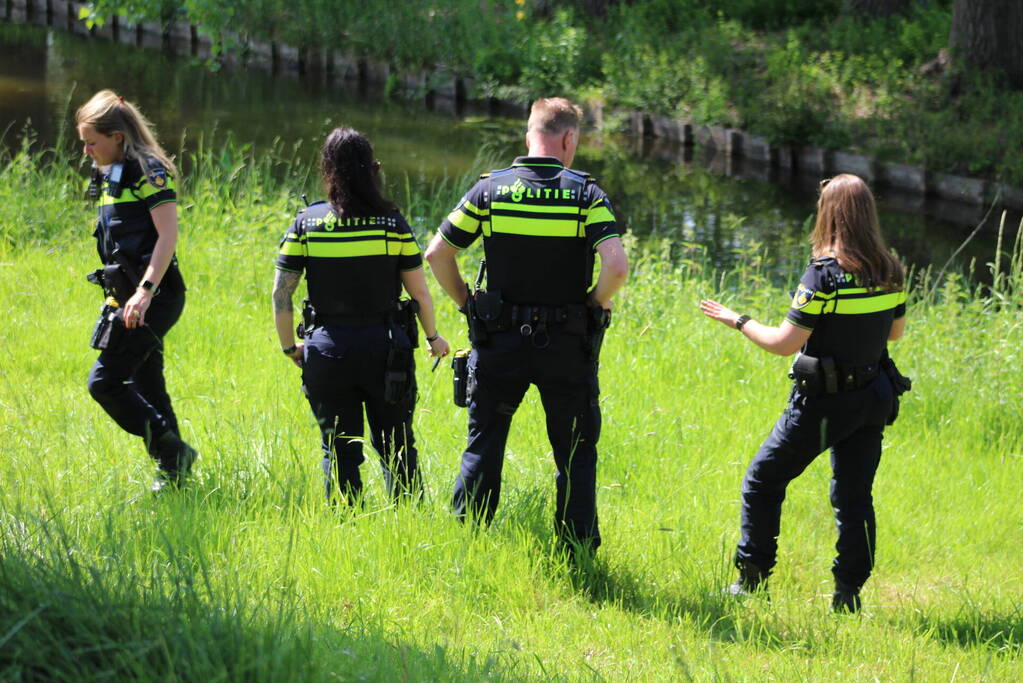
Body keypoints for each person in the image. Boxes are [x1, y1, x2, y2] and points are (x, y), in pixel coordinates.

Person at [425, 97, 629, 554]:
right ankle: (577, 551)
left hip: (498, 343)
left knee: (485, 443)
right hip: (567, 346)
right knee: (574, 453)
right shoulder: (586, 195)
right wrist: (593, 306)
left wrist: (467, 304)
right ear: (569, 138)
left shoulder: (490, 190)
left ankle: (466, 542)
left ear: (528, 136)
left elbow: (437, 253)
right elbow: (616, 266)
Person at [700, 174, 908, 612]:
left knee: (763, 479)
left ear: (828, 214)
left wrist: (737, 320)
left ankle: (751, 579)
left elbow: (783, 344)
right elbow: (896, 334)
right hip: (873, 396)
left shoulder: (823, 275)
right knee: (854, 497)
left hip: (825, 404)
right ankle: (848, 594)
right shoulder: (891, 269)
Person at [273, 127, 449, 504]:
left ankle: (345, 525)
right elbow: (418, 292)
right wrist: (434, 338)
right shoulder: (392, 224)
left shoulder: (306, 224)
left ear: (328, 169)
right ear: (373, 169)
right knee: (397, 446)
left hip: (326, 351)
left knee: (337, 450)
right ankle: (408, 522)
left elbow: (281, 293)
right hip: (386, 352)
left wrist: (290, 347)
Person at [76, 90, 196, 492]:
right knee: (148, 384)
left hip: (155, 296)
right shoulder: (107, 172)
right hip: (125, 297)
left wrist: (143, 292)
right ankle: (175, 477)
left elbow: (168, 236)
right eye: (84, 142)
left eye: (92, 141)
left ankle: (173, 455)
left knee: (104, 383)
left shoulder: (149, 170)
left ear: (118, 137)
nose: (86, 150)